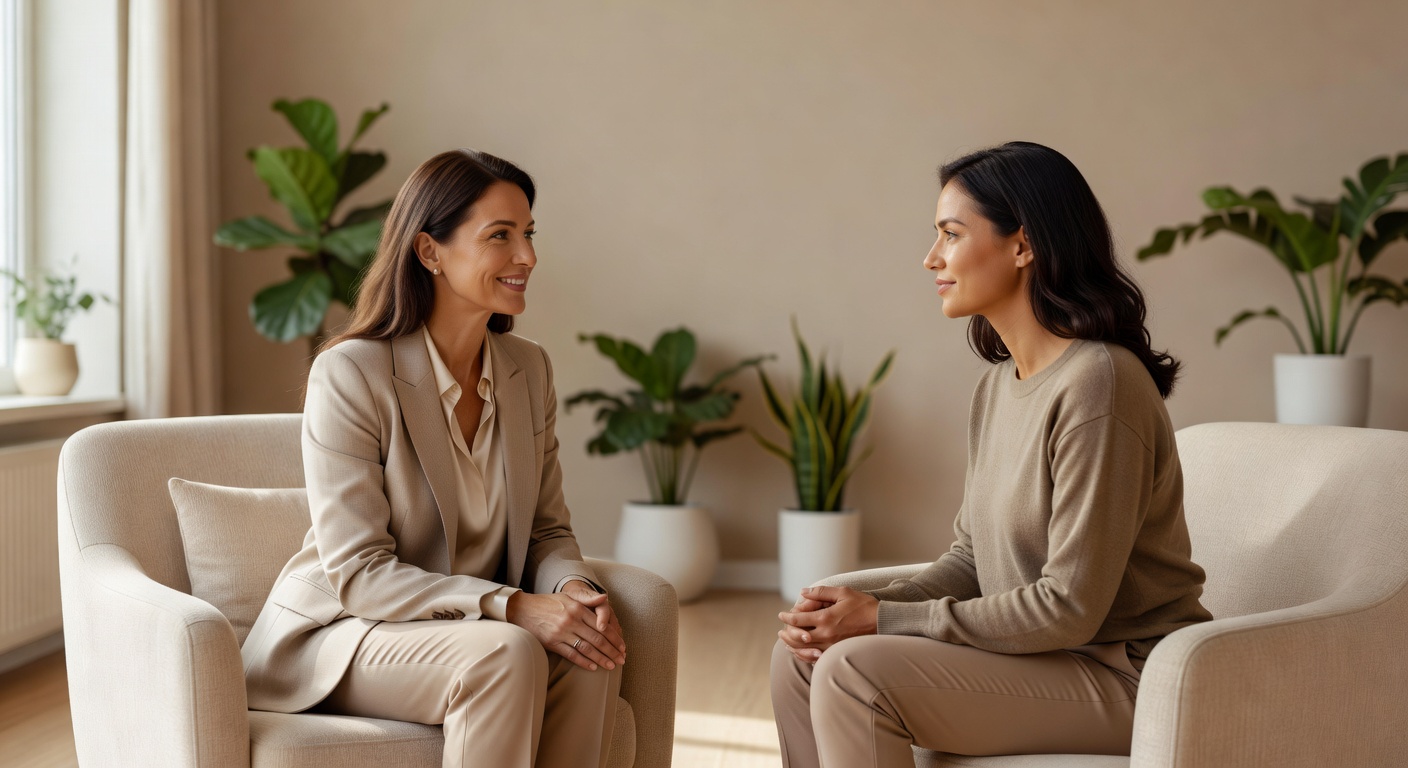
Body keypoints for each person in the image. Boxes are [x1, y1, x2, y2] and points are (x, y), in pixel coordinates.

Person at [770, 141, 1213, 766]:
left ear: (1022, 246)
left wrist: (886, 620)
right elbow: (972, 558)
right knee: (801, 658)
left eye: (951, 235)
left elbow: (1070, 608)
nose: (930, 259)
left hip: (1129, 676)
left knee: (854, 674)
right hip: (1046, 660)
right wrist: (859, 611)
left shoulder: (1100, 384)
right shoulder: (997, 387)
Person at [240, 149, 627, 768]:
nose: (526, 256)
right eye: (499, 236)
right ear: (429, 252)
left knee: (591, 645)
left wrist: (573, 591)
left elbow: (548, 530)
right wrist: (517, 607)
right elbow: (361, 572)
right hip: (348, 632)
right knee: (507, 651)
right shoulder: (352, 373)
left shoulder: (529, 370)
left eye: (527, 234)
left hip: (471, 630)